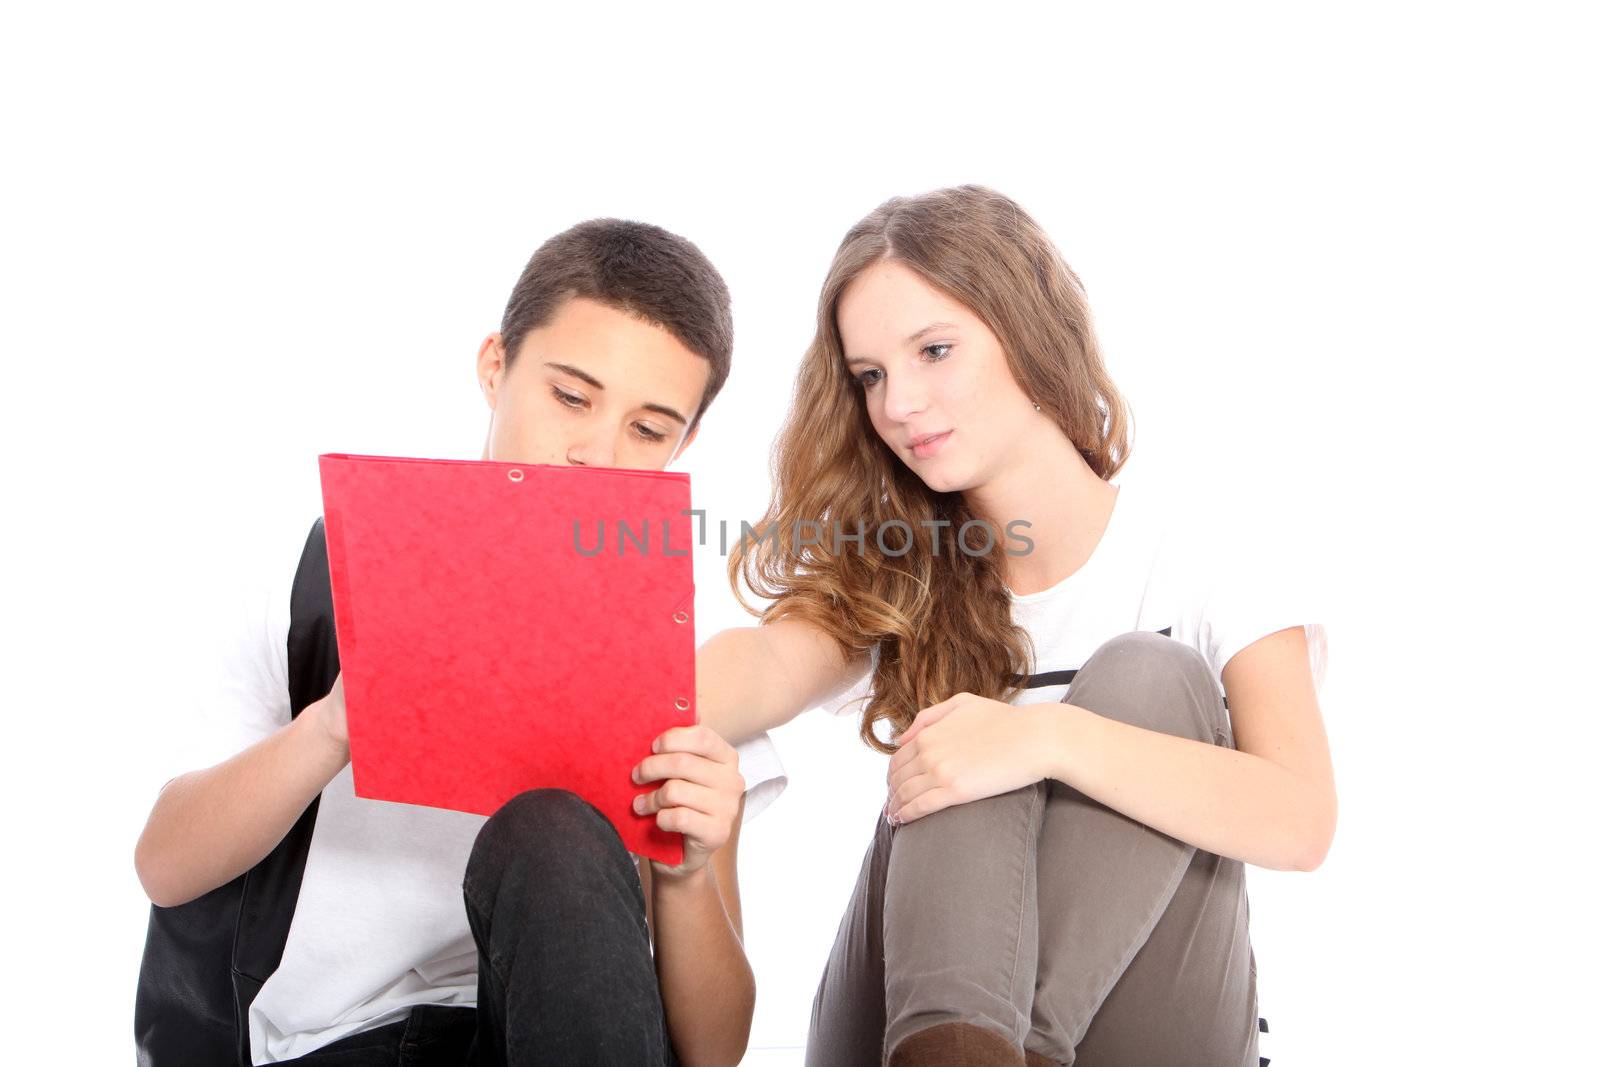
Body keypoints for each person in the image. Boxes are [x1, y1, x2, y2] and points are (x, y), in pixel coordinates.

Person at [696, 185, 1336, 1066]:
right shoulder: (904, 564)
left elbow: (1301, 819)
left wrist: (1046, 739)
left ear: (1028, 331)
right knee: (953, 734)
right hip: (914, 1020)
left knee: (1151, 681)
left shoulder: (1204, 548)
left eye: (935, 350)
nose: (900, 405)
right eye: (872, 376)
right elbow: (766, 665)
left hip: (1152, 1024)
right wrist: (594, 697)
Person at [134, 218, 785, 1067]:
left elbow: (714, 1050)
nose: (595, 454)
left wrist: (687, 872)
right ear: (495, 367)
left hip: (563, 1036)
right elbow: (165, 865)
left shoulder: (675, 654)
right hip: (331, 1046)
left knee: (552, 829)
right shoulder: (323, 572)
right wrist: (333, 726)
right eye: (571, 397)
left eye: (649, 428)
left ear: (685, 442)